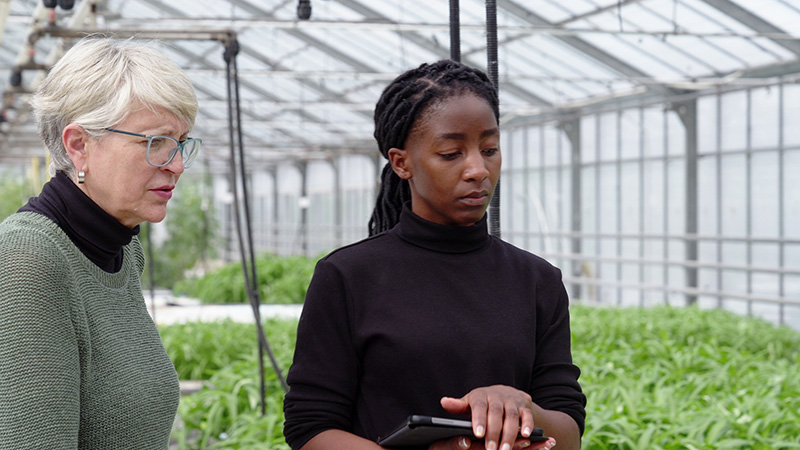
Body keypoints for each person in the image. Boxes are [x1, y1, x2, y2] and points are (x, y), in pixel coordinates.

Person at [283, 60, 586, 450]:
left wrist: (522, 408)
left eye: (490, 149)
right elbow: (310, 428)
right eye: (450, 154)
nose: (478, 169)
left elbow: (569, 435)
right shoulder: (347, 276)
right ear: (401, 162)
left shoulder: (537, 280)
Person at [0, 36, 200, 449]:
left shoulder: (121, 250)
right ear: (79, 146)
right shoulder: (29, 262)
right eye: (154, 143)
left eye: (180, 143)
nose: (177, 164)